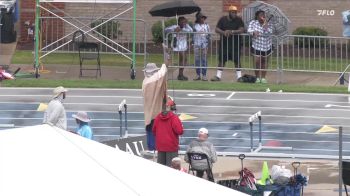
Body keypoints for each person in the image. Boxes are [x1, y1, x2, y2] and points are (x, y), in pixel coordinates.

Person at [211, 5, 245, 82]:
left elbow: (242, 29)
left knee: (237, 60)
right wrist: (223, 32)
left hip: (235, 44)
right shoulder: (222, 19)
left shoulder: (239, 20)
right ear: (229, 12)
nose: (234, 14)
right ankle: (218, 76)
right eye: (233, 12)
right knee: (222, 60)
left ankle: (239, 77)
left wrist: (232, 31)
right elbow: (216, 29)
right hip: (224, 44)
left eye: (235, 12)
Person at [142, 63, 168, 151]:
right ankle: (153, 150)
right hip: (154, 111)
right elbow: (160, 75)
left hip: (150, 111)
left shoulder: (147, 80)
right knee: (153, 131)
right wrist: (164, 65)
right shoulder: (150, 81)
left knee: (150, 130)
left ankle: (151, 149)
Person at [152, 97, 184, 167]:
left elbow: (154, 131)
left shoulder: (158, 117)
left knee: (161, 167)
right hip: (171, 147)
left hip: (160, 146)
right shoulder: (174, 118)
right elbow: (180, 131)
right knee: (172, 168)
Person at [247, 10, 273, 83]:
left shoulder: (269, 23)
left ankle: (263, 78)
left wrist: (266, 27)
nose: (263, 16)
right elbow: (249, 30)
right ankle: (257, 78)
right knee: (257, 62)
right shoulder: (253, 22)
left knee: (264, 62)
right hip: (256, 46)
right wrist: (253, 32)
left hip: (266, 46)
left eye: (264, 14)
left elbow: (270, 32)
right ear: (257, 16)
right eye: (261, 14)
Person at [165, 16, 193, 81]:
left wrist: (187, 24)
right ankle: (179, 75)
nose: (184, 23)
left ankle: (181, 74)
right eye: (182, 22)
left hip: (184, 46)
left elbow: (191, 31)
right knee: (182, 58)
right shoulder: (175, 26)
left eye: (184, 22)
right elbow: (166, 30)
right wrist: (173, 30)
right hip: (177, 46)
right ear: (179, 22)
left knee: (184, 60)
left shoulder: (186, 27)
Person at [193, 12, 210, 81]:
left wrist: (208, 43)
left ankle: (204, 75)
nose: (203, 19)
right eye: (201, 18)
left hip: (204, 44)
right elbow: (192, 35)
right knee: (197, 60)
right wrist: (192, 43)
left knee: (204, 59)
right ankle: (198, 74)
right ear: (198, 19)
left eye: (203, 18)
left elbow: (209, 35)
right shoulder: (195, 26)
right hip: (197, 44)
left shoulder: (207, 26)